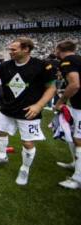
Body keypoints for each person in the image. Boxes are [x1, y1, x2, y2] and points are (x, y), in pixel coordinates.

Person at [0, 37, 56, 185]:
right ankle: (2, 156)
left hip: (29, 111)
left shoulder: (41, 65)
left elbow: (51, 88)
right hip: (7, 109)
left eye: (13, 49)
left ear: (26, 49)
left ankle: (24, 169)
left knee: (27, 143)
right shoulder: (5, 65)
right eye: (10, 49)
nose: (10, 52)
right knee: (0, 131)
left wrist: (39, 105)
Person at [55, 40, 81, 189]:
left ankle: (78, 179)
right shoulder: (78, 59)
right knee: (75, 136)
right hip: (78, 105)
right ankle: (75, 164)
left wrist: (61, 101)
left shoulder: (67, 61)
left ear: (59, 49)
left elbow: (75, 84)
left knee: (79, 139)